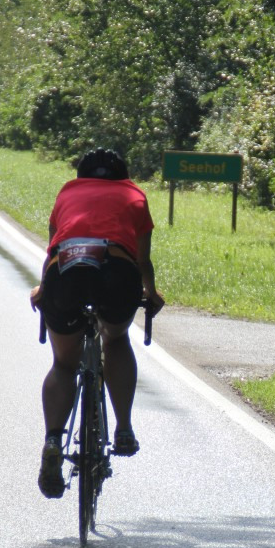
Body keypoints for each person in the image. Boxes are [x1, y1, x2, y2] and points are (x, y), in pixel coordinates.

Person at [30, 148, 164, 499]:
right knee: (115, 339)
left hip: (66, 271)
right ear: (123, 176)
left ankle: (53, 441)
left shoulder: (67, 192)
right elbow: (142, 259)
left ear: (81, 175)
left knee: (63, 363)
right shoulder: (134, 195)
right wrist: (151, 292)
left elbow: (53, 248)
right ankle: (123, 428)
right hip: (116, 270)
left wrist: (43, 288)